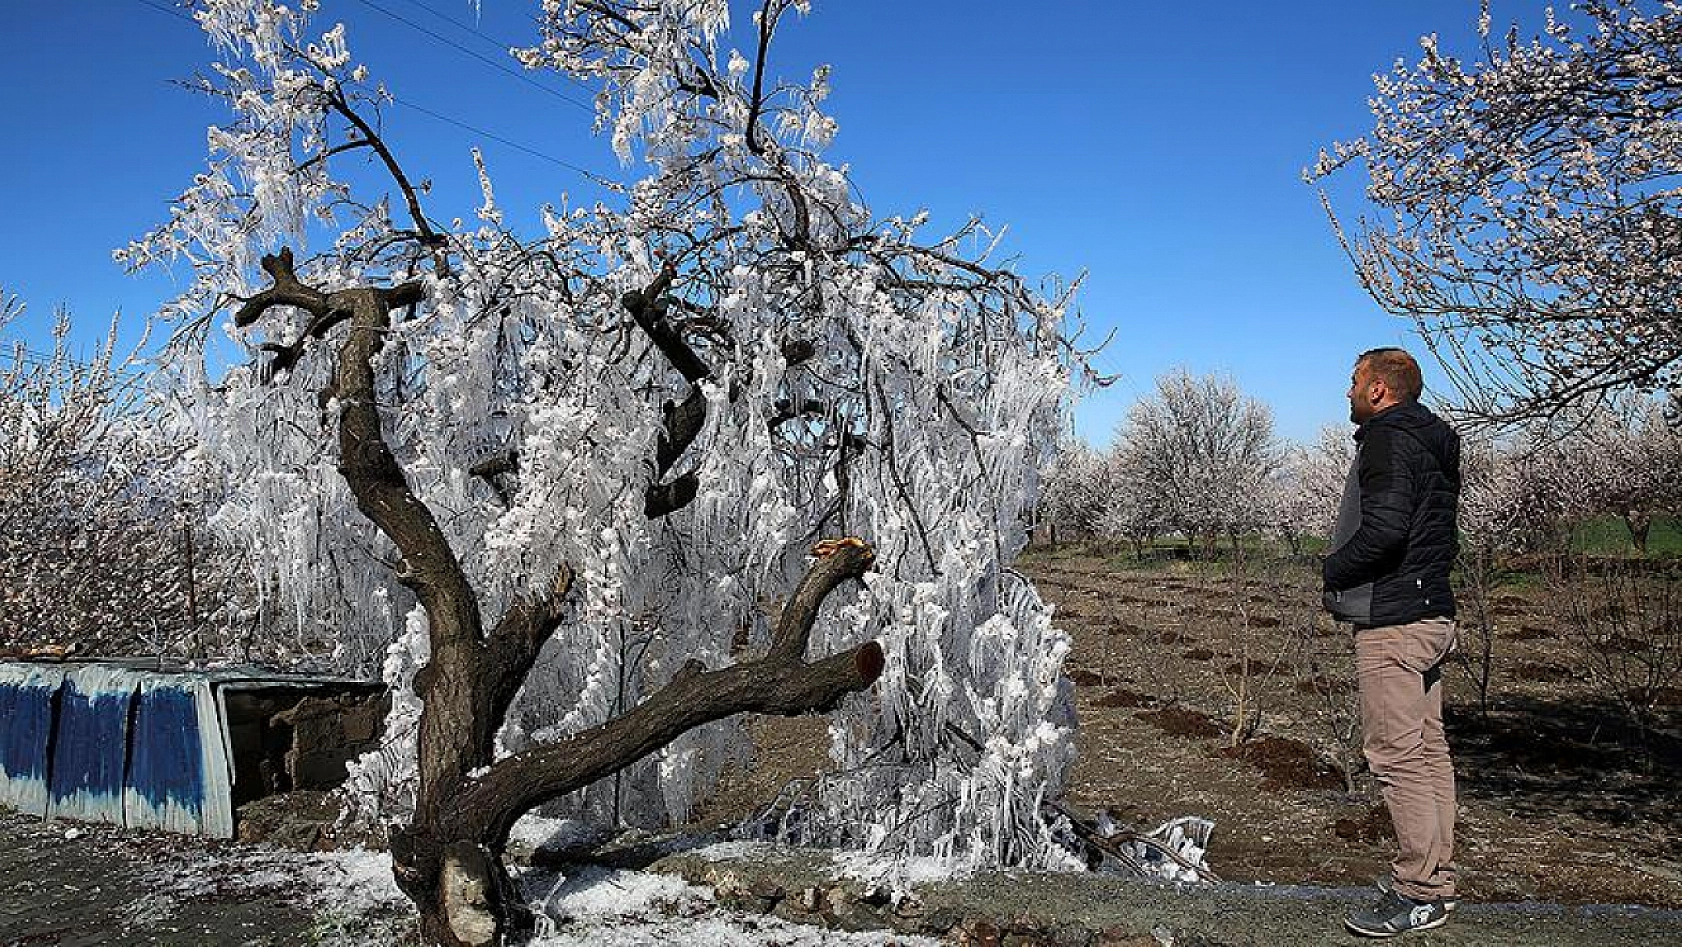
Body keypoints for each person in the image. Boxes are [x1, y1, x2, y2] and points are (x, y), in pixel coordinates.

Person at [1322, 347, 1462, 938]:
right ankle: (1434, 877)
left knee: (1395, 757)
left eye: (1354, 382)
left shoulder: (1385, 438)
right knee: (1428, 753)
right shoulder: (1433, 439)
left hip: (1394, 623)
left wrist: (1332, 568)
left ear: (1380, 390)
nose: (1348, 392)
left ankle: (1420, 890)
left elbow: (1384, 529)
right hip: (1430, 613)